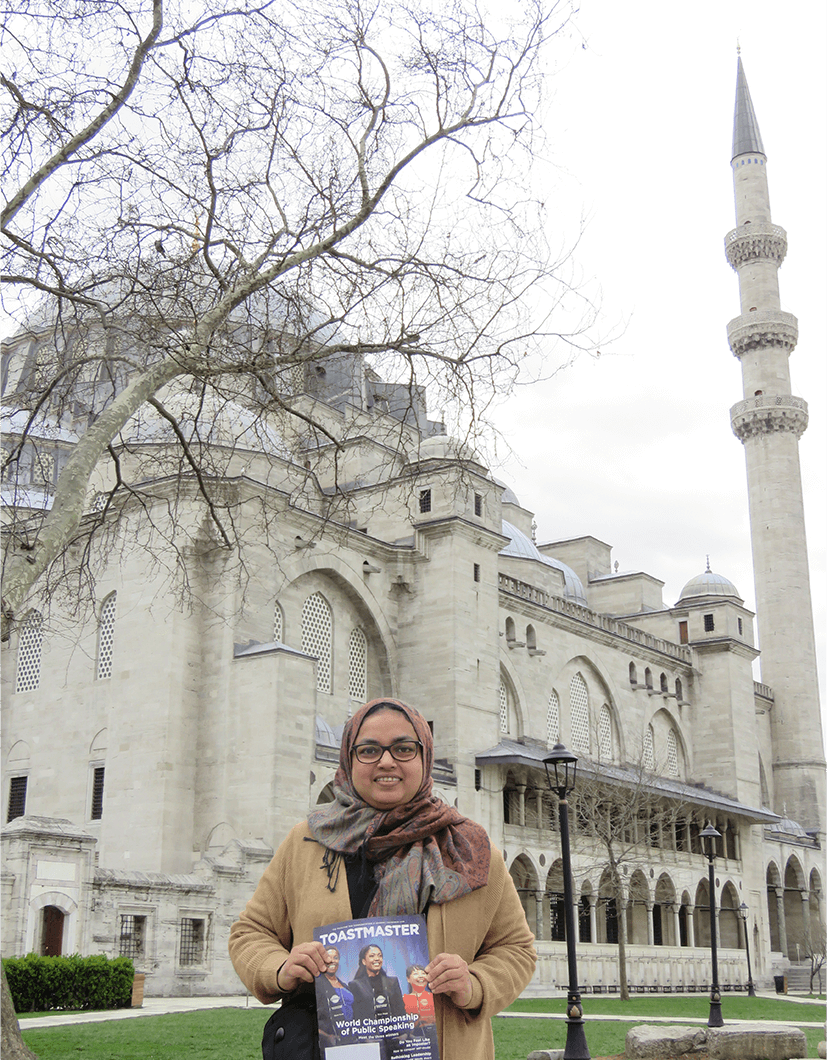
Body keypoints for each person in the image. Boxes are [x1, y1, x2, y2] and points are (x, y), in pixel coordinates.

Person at [229, 697, 536, 1059]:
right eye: (369, 750)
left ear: (425, 756)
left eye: (404, 749)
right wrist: (281, 968)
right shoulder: (306, 842)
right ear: (349, 759)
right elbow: (251, 933)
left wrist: (475, 984)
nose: (387, 761)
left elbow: (516, 949)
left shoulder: (469, 849)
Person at [316, 947, 354, 1051]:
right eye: (328, 957)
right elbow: (310, 1018)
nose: (332, 961)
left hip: (351, 1040)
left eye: (335, 957)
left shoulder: (345, 985)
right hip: (332, 1043)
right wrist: (327, 1036)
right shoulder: (317, 985)